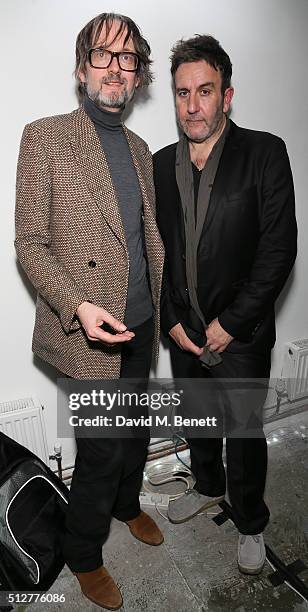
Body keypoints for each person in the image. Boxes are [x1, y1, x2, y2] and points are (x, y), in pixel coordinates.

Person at [15, 12, 164, 610]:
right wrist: (77, 304)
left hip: (141, 324)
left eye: (128, 59)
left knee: (135, 431)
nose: (116, 69)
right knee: (101, 451)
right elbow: (30, 241)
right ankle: (84, 554)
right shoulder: (44, 136)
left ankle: (129, 506)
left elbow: (148, 240)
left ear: (138, 76)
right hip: (85, 334)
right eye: (103, 56)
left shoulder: (141, 147)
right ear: (82, 70)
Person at [153, 34, 297, 575]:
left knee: (244, 431)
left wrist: (231, 325)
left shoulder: (265, 152)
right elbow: (157, 250)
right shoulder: (161, 164)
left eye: (205, 91)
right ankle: (208, 486)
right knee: (198, 420)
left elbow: (279, 250)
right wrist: (171, 321)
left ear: (226, 95)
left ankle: (251, 520)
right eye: (182, 92)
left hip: (241, 333)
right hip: (184, 331)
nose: (192, 105)